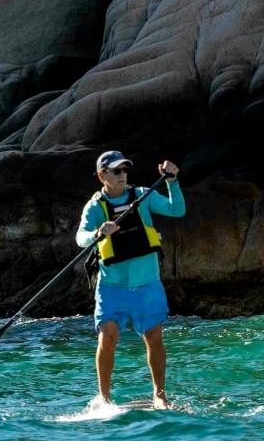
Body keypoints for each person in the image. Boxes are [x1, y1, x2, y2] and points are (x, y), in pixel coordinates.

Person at [75, 150, 183, 408]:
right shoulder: (95, 207)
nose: (123, 175)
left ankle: (159, 394)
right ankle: (104, 397)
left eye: (125, 170)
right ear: (103, 175)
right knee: (108, 336)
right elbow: (80, 237)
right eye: (116, 171)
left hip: (147, 284)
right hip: (113, 287)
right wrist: (97, 234)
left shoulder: (143, 196)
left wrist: (172, 181)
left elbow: (177, 210)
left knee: (154, 337)